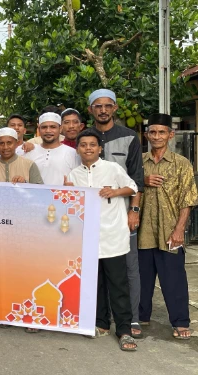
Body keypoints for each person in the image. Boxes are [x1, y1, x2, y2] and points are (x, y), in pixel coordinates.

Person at [66, 129, 138, 352]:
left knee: (118, 284)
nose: (88, 148)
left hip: (112, 235)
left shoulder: (112, 168)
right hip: (87, 238)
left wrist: (115, 192)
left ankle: (124, 330)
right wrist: (67, 192)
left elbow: (133, 187)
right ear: (78, 149)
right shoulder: (73, 175)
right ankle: (102, 324)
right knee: (95, 284)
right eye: (84, 145)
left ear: (100, 148)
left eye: (92, 145)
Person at [88, 88, 144, 338]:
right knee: (96, 271)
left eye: (107, 106)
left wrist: (134, 210)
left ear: (115, 108)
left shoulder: (129, 137)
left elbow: (137, 179)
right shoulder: (84, 138)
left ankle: (130, 320)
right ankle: (100, 319)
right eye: (97, 106)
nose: (102, 110)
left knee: (126, 270)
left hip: (121, 216)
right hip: (91, 221)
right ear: (91, 110)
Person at [138, 113, 197, 340]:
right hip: (142, 231)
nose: (157, 136)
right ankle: (141, 315)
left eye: (162, 132)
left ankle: (180, 321)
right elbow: (128, 188)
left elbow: (188, 199)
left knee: (173, 278)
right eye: (153, 132)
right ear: (147, 135)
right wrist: (142, 180)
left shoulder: (182, 164)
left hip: (169, 231)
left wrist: (180, 229)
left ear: (170, 135)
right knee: (142, 277)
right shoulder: (139, 162)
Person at [22, 113, 79, 185]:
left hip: (61, 195)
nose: (48, 131)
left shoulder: (73, 154)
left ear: (60, 129)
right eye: (44, 127)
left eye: (53, 127)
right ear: (39, 129)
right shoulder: (28, 151)